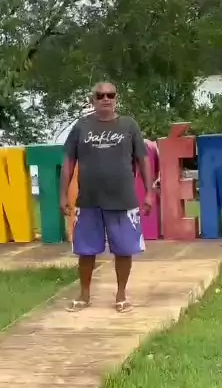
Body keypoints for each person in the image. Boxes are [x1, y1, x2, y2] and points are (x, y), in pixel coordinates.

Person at [60, 81, 153, 312]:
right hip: (88, 200)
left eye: (110, 95)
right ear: (92, 100)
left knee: (124, 249)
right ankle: (84, 295)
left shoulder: (129, 125)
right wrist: (63, 195)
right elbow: (68, 162)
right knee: (86, 251)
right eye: (100, 95)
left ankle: (121, 296)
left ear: (116, 98)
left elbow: (143, 160)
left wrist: (149, 192)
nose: (105, 99)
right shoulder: (81, 127)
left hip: (123, 199)